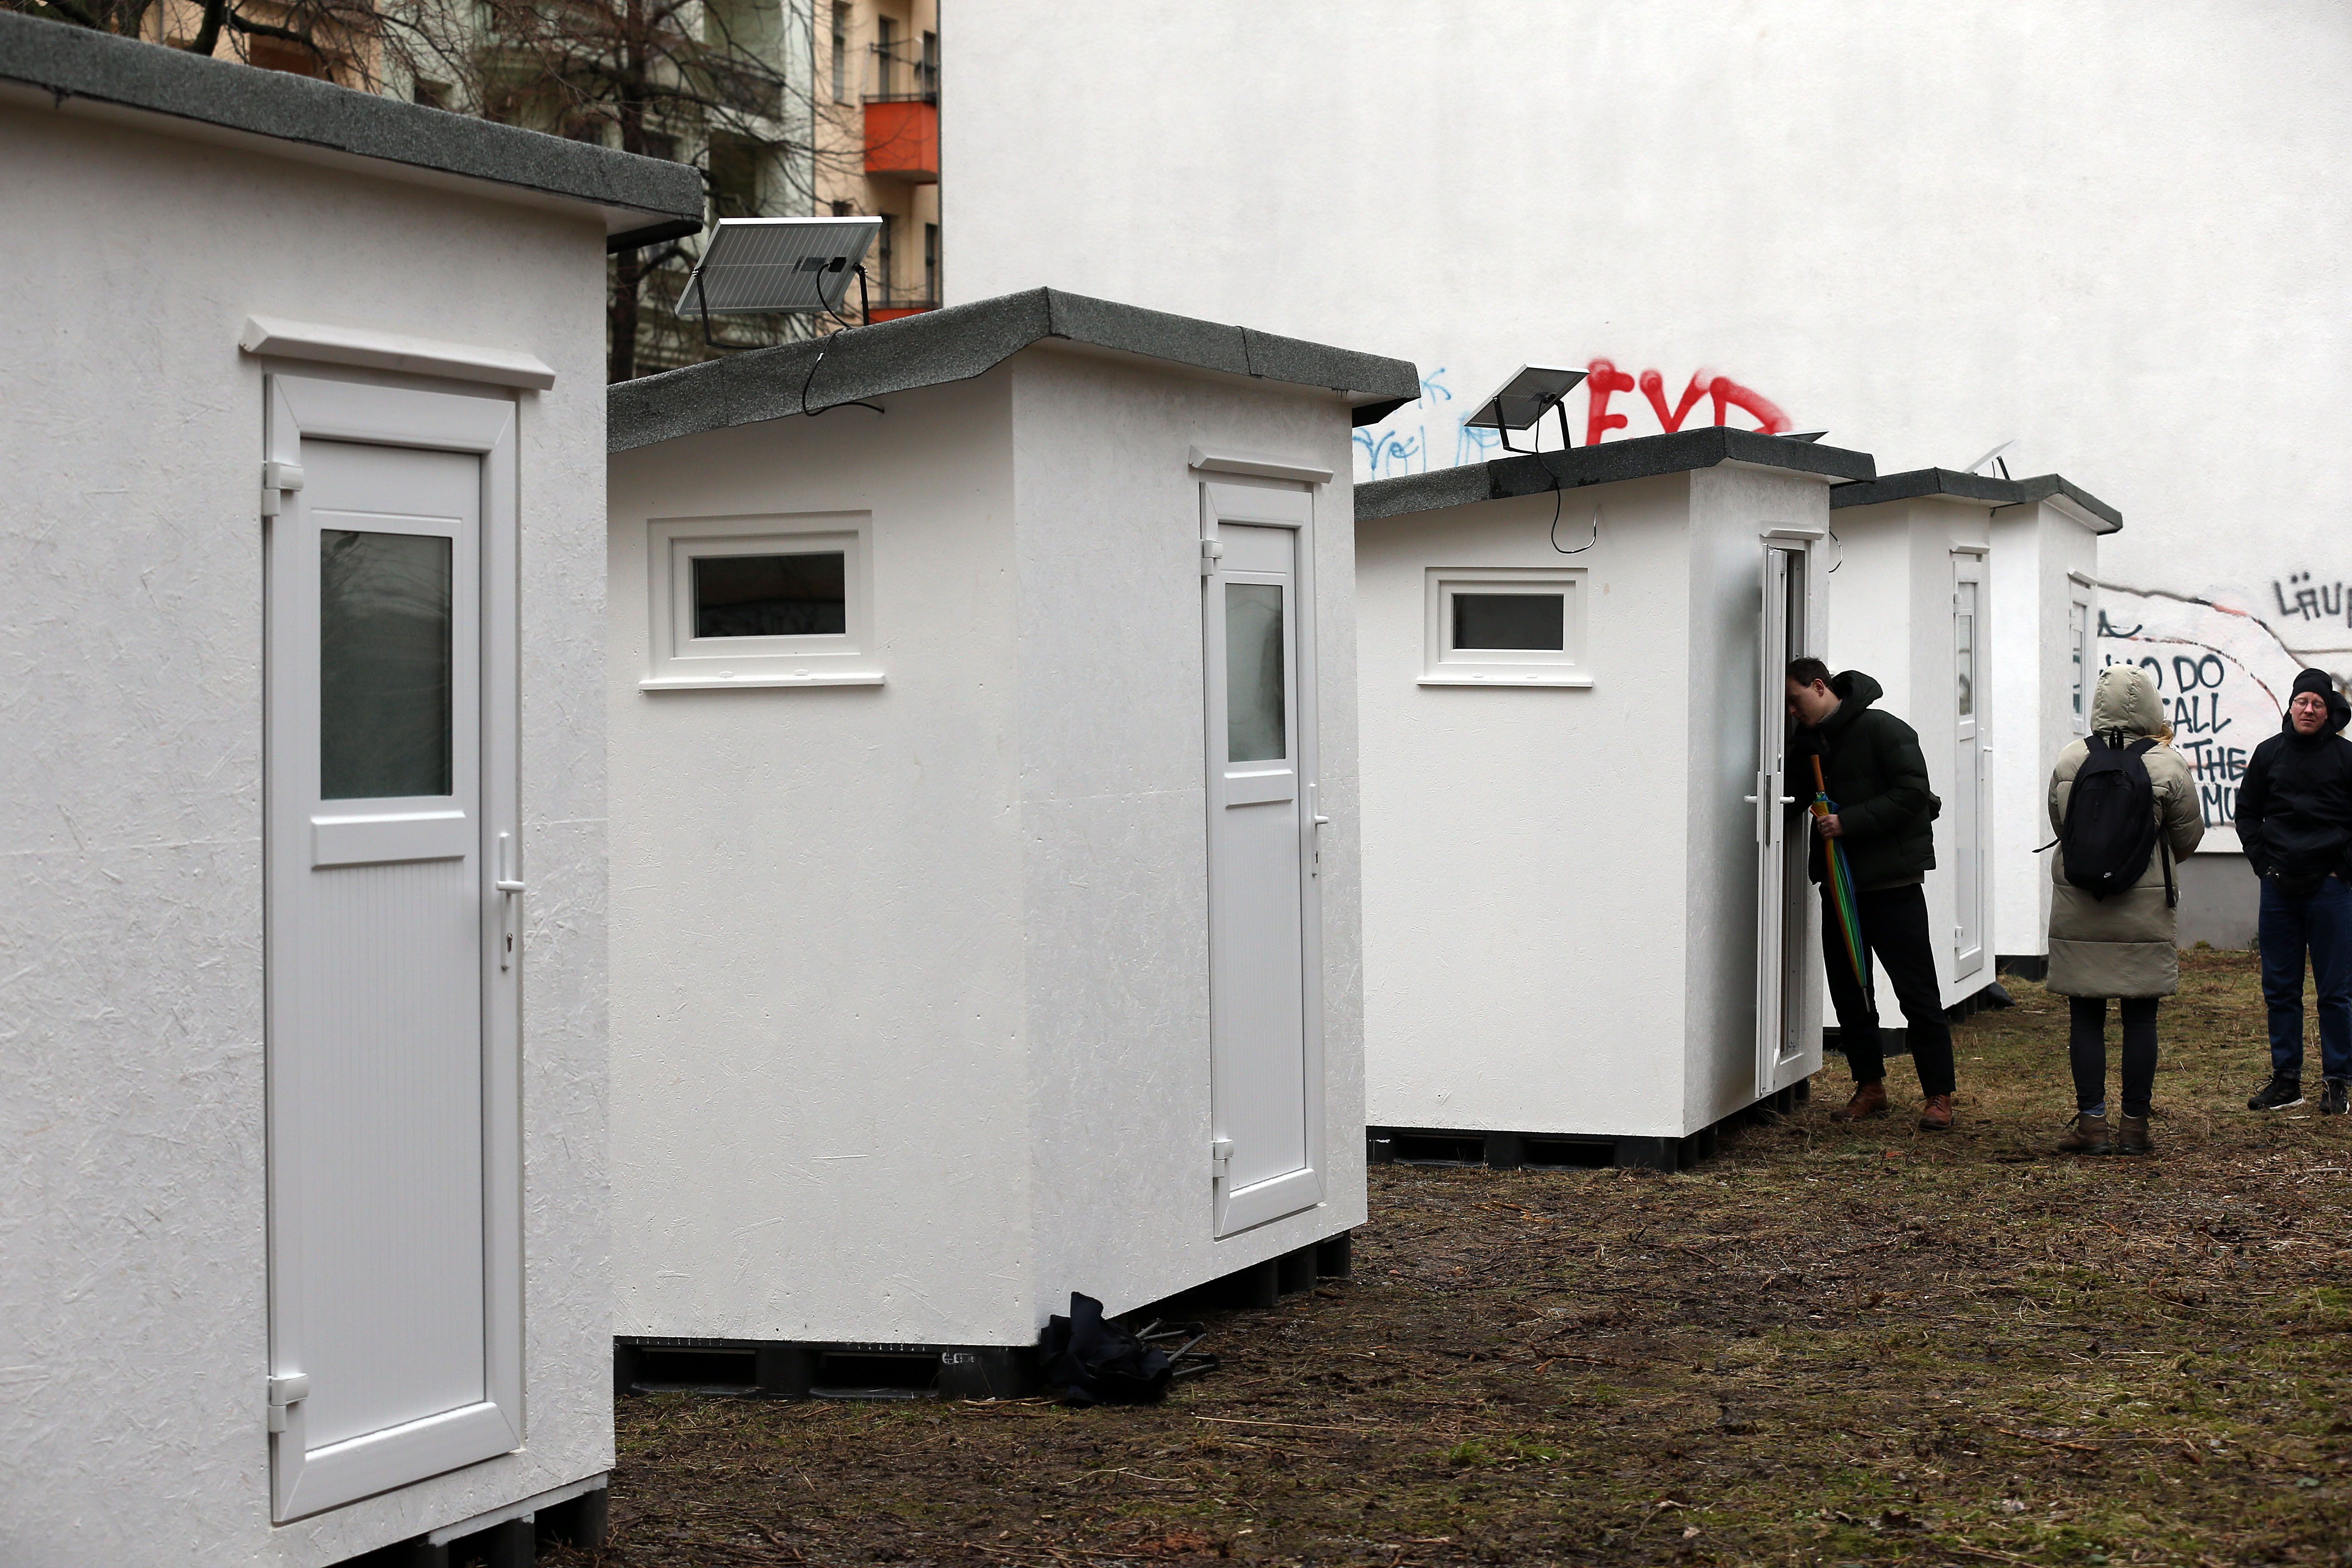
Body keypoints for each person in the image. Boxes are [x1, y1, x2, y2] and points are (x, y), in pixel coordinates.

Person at [1785, 659, 1956, 1130]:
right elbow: (1792, 797)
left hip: (1892, 884)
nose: (1792, 712)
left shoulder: (1885, 729)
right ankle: (1870, 1086)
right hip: (1839, 887)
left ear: (1819, 687)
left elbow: (1913, 795)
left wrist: (1848, 822)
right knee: (1849, 990)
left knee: (1917, 992)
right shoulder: (1807, 745)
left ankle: (1938, 1095)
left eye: (1795, 702)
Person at [2045, 665, 2204, 1155]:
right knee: (2140, 1018)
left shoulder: (2071, 760)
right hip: (2144, 906)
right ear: (2152, 707)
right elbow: (2188, 837)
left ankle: (2092, 1125)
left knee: (2086, 1016)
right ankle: (2135, 1128)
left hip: (2081, 904)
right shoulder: (2168, 764)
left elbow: (2060, 820)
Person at [2237, 668, 2352, 1115]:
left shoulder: (2346, 758)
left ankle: (2337, 1081)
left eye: (2318, 704)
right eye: (2302, 701)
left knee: (2335, 992)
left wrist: (2343, 870)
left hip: (2331, 891)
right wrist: (2263, 864)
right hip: (2280, 890)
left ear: (2329, 712)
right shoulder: (2269, 755)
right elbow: (2246, 813)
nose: (2309, 710)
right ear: (2290, 706)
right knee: (2281, 989)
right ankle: (2287, 1081)